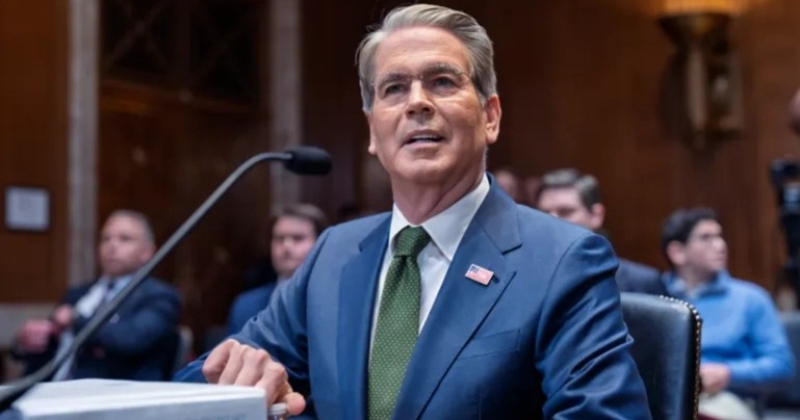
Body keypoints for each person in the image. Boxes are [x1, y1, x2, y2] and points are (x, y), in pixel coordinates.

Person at [175, 4, 650, 418]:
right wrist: (239, 380)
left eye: (442, 82)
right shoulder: (334, 254)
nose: (417, 102)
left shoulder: (563, 259)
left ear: (490, 117)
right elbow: (196, 386)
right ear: (372, 131)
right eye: (394, 88)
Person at [12, 209, 181, 381]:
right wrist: (27, 341)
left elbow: (131, 339)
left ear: (147, 252)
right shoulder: (77, 294)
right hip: (47, 387)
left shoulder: (159, 296)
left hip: (113, 390)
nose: (112, 246)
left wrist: (76, 319)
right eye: (105, 239)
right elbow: (45, 352)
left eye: (125, 239)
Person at [661, 208, 794, 415]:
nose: (720, 245)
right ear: (677, 252)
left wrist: (728, 373)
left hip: (728, 399)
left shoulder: (751, 298)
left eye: (720, 236)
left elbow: (782, 365)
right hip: (664, 397)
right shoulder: (656, 297)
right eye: (706, 238)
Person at [536, 168, 667, 295]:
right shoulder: (529, 276)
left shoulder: (641, 283)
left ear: (596, 215)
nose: (551, 221)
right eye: (543, 213)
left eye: (565, 212)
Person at [228, 204, 327, 334]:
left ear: (320, 244)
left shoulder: (334, 302)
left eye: (298, 238)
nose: (286, 246)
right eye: (279, 239)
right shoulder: (246, 305)